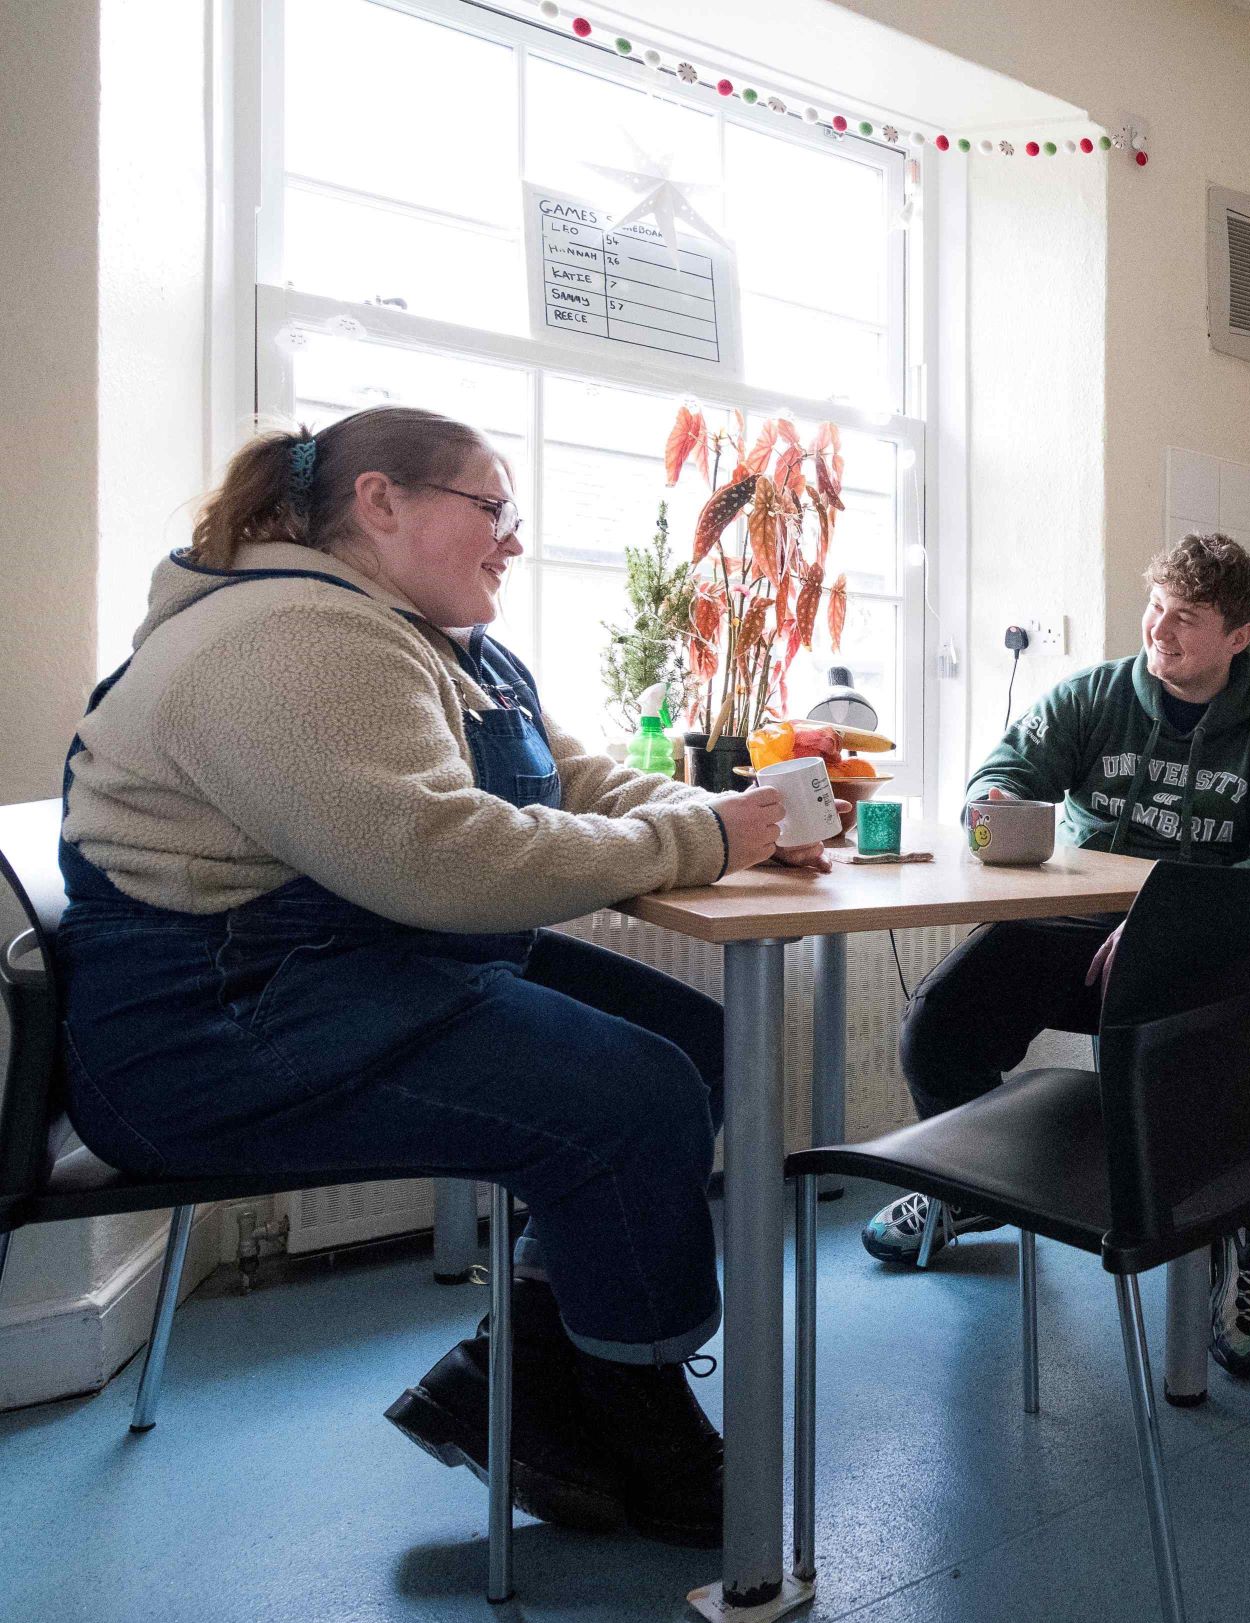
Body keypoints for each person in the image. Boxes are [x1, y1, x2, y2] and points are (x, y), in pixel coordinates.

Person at [56, 406, 826, 1548]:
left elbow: (579, 784)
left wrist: (726, 817)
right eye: (493, 508)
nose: (512, 539)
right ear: (380, 503)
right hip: (213, 1032)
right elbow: (442, 858)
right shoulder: (289, 641)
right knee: (632, 1099)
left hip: (347, 973)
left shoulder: (435, 639)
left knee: (700, 1047)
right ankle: (636, 1418)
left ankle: (515, 1379)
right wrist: (710, 840)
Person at [864, 532, 1250, 1380]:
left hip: (1198, 953)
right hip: (1080, 934)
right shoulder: (1093, 697)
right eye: (1156, 607)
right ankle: (971, 1193)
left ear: (1239, 636)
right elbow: (1006, 769)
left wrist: (1164, 927)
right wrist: (995, 801)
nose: (1162, 629)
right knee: (939, 1025)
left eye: (1187, 618)